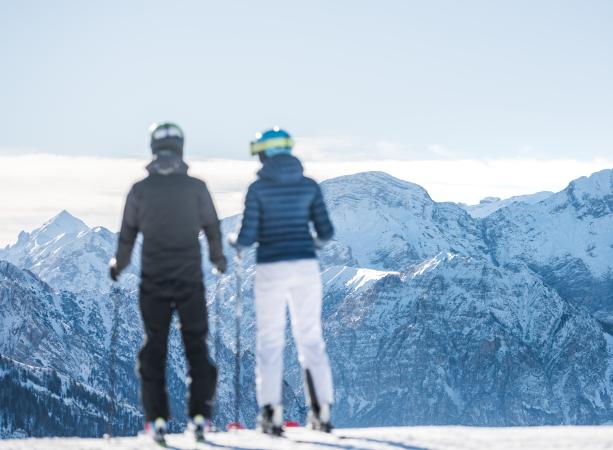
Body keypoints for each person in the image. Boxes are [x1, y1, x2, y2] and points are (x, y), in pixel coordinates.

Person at [109, 122, 226, 445]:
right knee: (196, 347)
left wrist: (119, 265)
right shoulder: (197, 188)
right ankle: (200, 416)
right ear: (181, 148)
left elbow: (127, 234)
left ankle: (157, 420)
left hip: (154, 282)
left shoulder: (139, 190)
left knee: (154, 348)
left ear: (153, 149)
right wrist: (218, 259)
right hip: (190, 280)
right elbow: (212, 227)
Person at [232, 127, 335, 435]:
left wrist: (233, 242)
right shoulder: (309, 186)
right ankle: (322, 411)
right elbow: (326, 232)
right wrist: (308, 246)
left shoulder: (257, 189)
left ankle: (271, 414)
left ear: (264, 153)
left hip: (271, 267)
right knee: (310, 338)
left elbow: (247, 237)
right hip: (306, 266)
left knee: (270, 340)